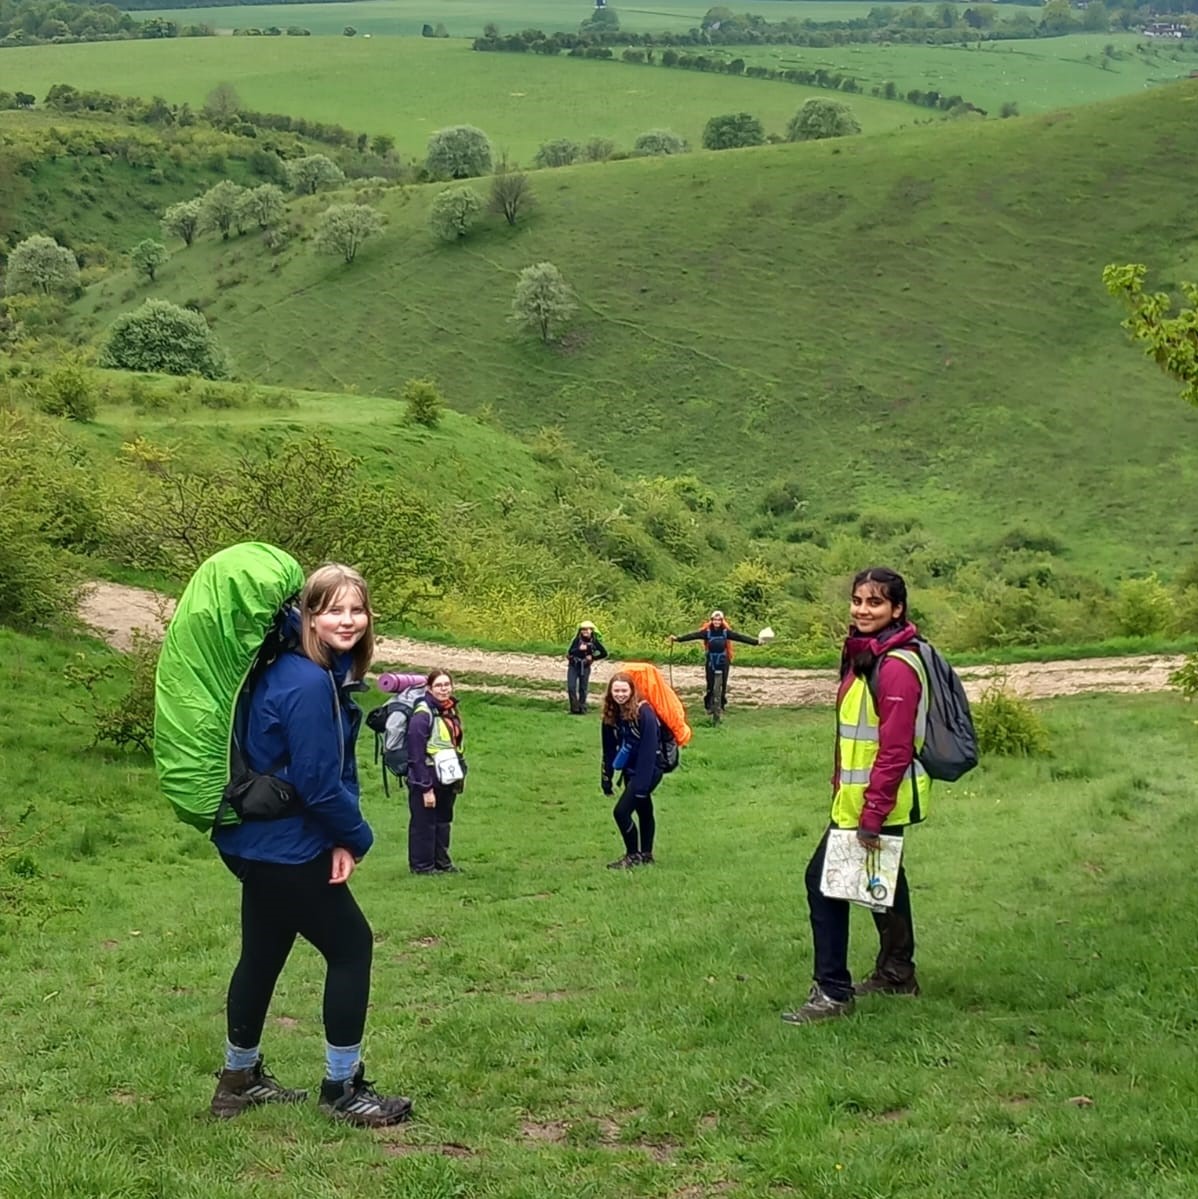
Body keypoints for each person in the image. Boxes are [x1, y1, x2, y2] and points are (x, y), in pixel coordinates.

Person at [210, 563, 413, 1126]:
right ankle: (342, 1089)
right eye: (332, 609)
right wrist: (358, 838)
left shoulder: (289, 668)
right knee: (352, 948)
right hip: (287, 847)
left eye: (357, 608)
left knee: (263, 953)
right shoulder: (305, 684)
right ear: (308, 615)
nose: (348, 620)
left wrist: (334, 835)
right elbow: (321, 786)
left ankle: (238, 1081)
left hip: (256, 842)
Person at [783, 566, 928, 1025]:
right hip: (858, 798)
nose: (863, 610)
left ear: (897, 609)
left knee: (823, 883)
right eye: (858, 601)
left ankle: (832, 991)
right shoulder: (866, 653)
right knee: (884, 881)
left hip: (875, 801)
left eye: (875, 603)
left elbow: (895, 748)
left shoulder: (897, 666)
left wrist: (871, 814)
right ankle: (897, 972)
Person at [405, 668, 467, 875]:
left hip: (447, 775)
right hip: (427, 776)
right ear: (429, 688)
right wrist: (425, 788)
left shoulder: (449, 710)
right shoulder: (422, 715)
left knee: (443, 820)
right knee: (424, 822)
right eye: (439, 685)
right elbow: (415, 754)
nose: (444, 689)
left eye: (446, 685)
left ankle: (442, 862)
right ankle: (422, 867)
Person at [600, 671, 663, 869]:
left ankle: (632, 856)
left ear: (632, 691)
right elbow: (609, 747)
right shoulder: (612, 714)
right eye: (616, 690)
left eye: (624, 690)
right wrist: (606, 777)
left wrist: (642, 784)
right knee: (644, 809)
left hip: (650, 769)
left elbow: (649, 750)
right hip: (630, 769)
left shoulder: (645, 713)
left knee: (621, 812)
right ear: (610, 692)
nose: (620, 694)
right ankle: (646, 855)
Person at [668, 610, 761, 714]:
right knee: (710, 683)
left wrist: (756, 642)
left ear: (722, 621)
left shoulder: (726, 632)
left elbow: (740, 637)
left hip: (723, 660)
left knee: (723, 683)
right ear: (711, 620)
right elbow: (693, 635)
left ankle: (721, 705)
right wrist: (678, 639)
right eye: (715, 620)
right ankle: (709, 705)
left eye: (719, 620)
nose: (717, 622)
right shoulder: (706, 632)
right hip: (711, 660)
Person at [565, 620, 609, 714]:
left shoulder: (595, 642)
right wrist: (579, 650)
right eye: (583, 629)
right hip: (574, 665)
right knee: (571, 687)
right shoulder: (577, 640)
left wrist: (593, 657)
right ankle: (574, 709)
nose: (585, 631)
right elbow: (570, 652)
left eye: (587, 629)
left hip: (585, 666)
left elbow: (604, 653)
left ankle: (582, 709)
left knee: (583, 688)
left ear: (591, 630)